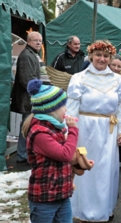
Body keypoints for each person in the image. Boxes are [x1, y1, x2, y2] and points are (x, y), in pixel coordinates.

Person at [67, 40, 121, 222]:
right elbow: (71, 108)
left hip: (108, 131)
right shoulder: (78, 78)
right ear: (91, 56)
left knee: (104, 171)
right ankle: (81, 210)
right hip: (84, 129)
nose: (102, 59)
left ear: (110, 58)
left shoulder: (118, 80)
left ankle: (104, 210)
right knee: (83, 168)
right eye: (98, 55)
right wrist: (71, 132)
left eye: (106, 56)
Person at [23, 79, 78, 222]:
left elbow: (66, 155)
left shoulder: (55, 127)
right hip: (44, 199)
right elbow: (64, 154)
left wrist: (80, 160)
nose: (66, 109)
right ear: (52, 109)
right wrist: (73, 131)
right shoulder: (40, 133)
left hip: (61, 195)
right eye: (63, 106)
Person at [11, 31, 42, 163]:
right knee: (26, 127)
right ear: (29, 42)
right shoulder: (26, 56)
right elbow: (26, 80)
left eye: (40, 41)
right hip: (27, 99)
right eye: (35, 40)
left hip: (30, 98)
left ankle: (25, 153)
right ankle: (22, 154)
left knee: (28, 127)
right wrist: (39, 92)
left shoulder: (31, 54)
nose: (38, 43)